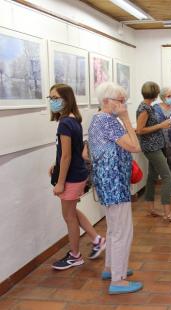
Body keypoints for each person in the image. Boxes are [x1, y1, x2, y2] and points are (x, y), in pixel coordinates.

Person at [88, 82, 143, 294]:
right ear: (105, 101)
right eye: (120, 101)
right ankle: (118, 281)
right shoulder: (108, 121)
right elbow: (135, 146)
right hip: (114, 183)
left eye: (124, 101)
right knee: (123, 231)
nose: (123, 105)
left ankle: (111, 268)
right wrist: (127, 118)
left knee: (113, 229)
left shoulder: (99, 119)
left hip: (107, 182)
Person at [48, 83, 106, 270]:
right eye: (51, 98)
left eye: (56, 98)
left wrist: (60, 182)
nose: (52, 102)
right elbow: (70, 152)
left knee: (68, 216)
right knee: (72, 212)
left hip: (72, 176)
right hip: (77, 173)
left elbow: (66, 156)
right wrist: (56, 166)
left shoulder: (65, 123)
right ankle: (97, 239)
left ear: (66, 99)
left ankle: (75, 256)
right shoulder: (73, 120)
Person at [136, 82, 171, 222]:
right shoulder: (145, 108)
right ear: (157, 94)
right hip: (152, 147)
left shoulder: (148, 107)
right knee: (167, 177)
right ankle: (168, 213)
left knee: (152, 177)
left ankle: (151, 209)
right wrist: (161, 125)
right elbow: (140, 130)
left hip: (156, 146)